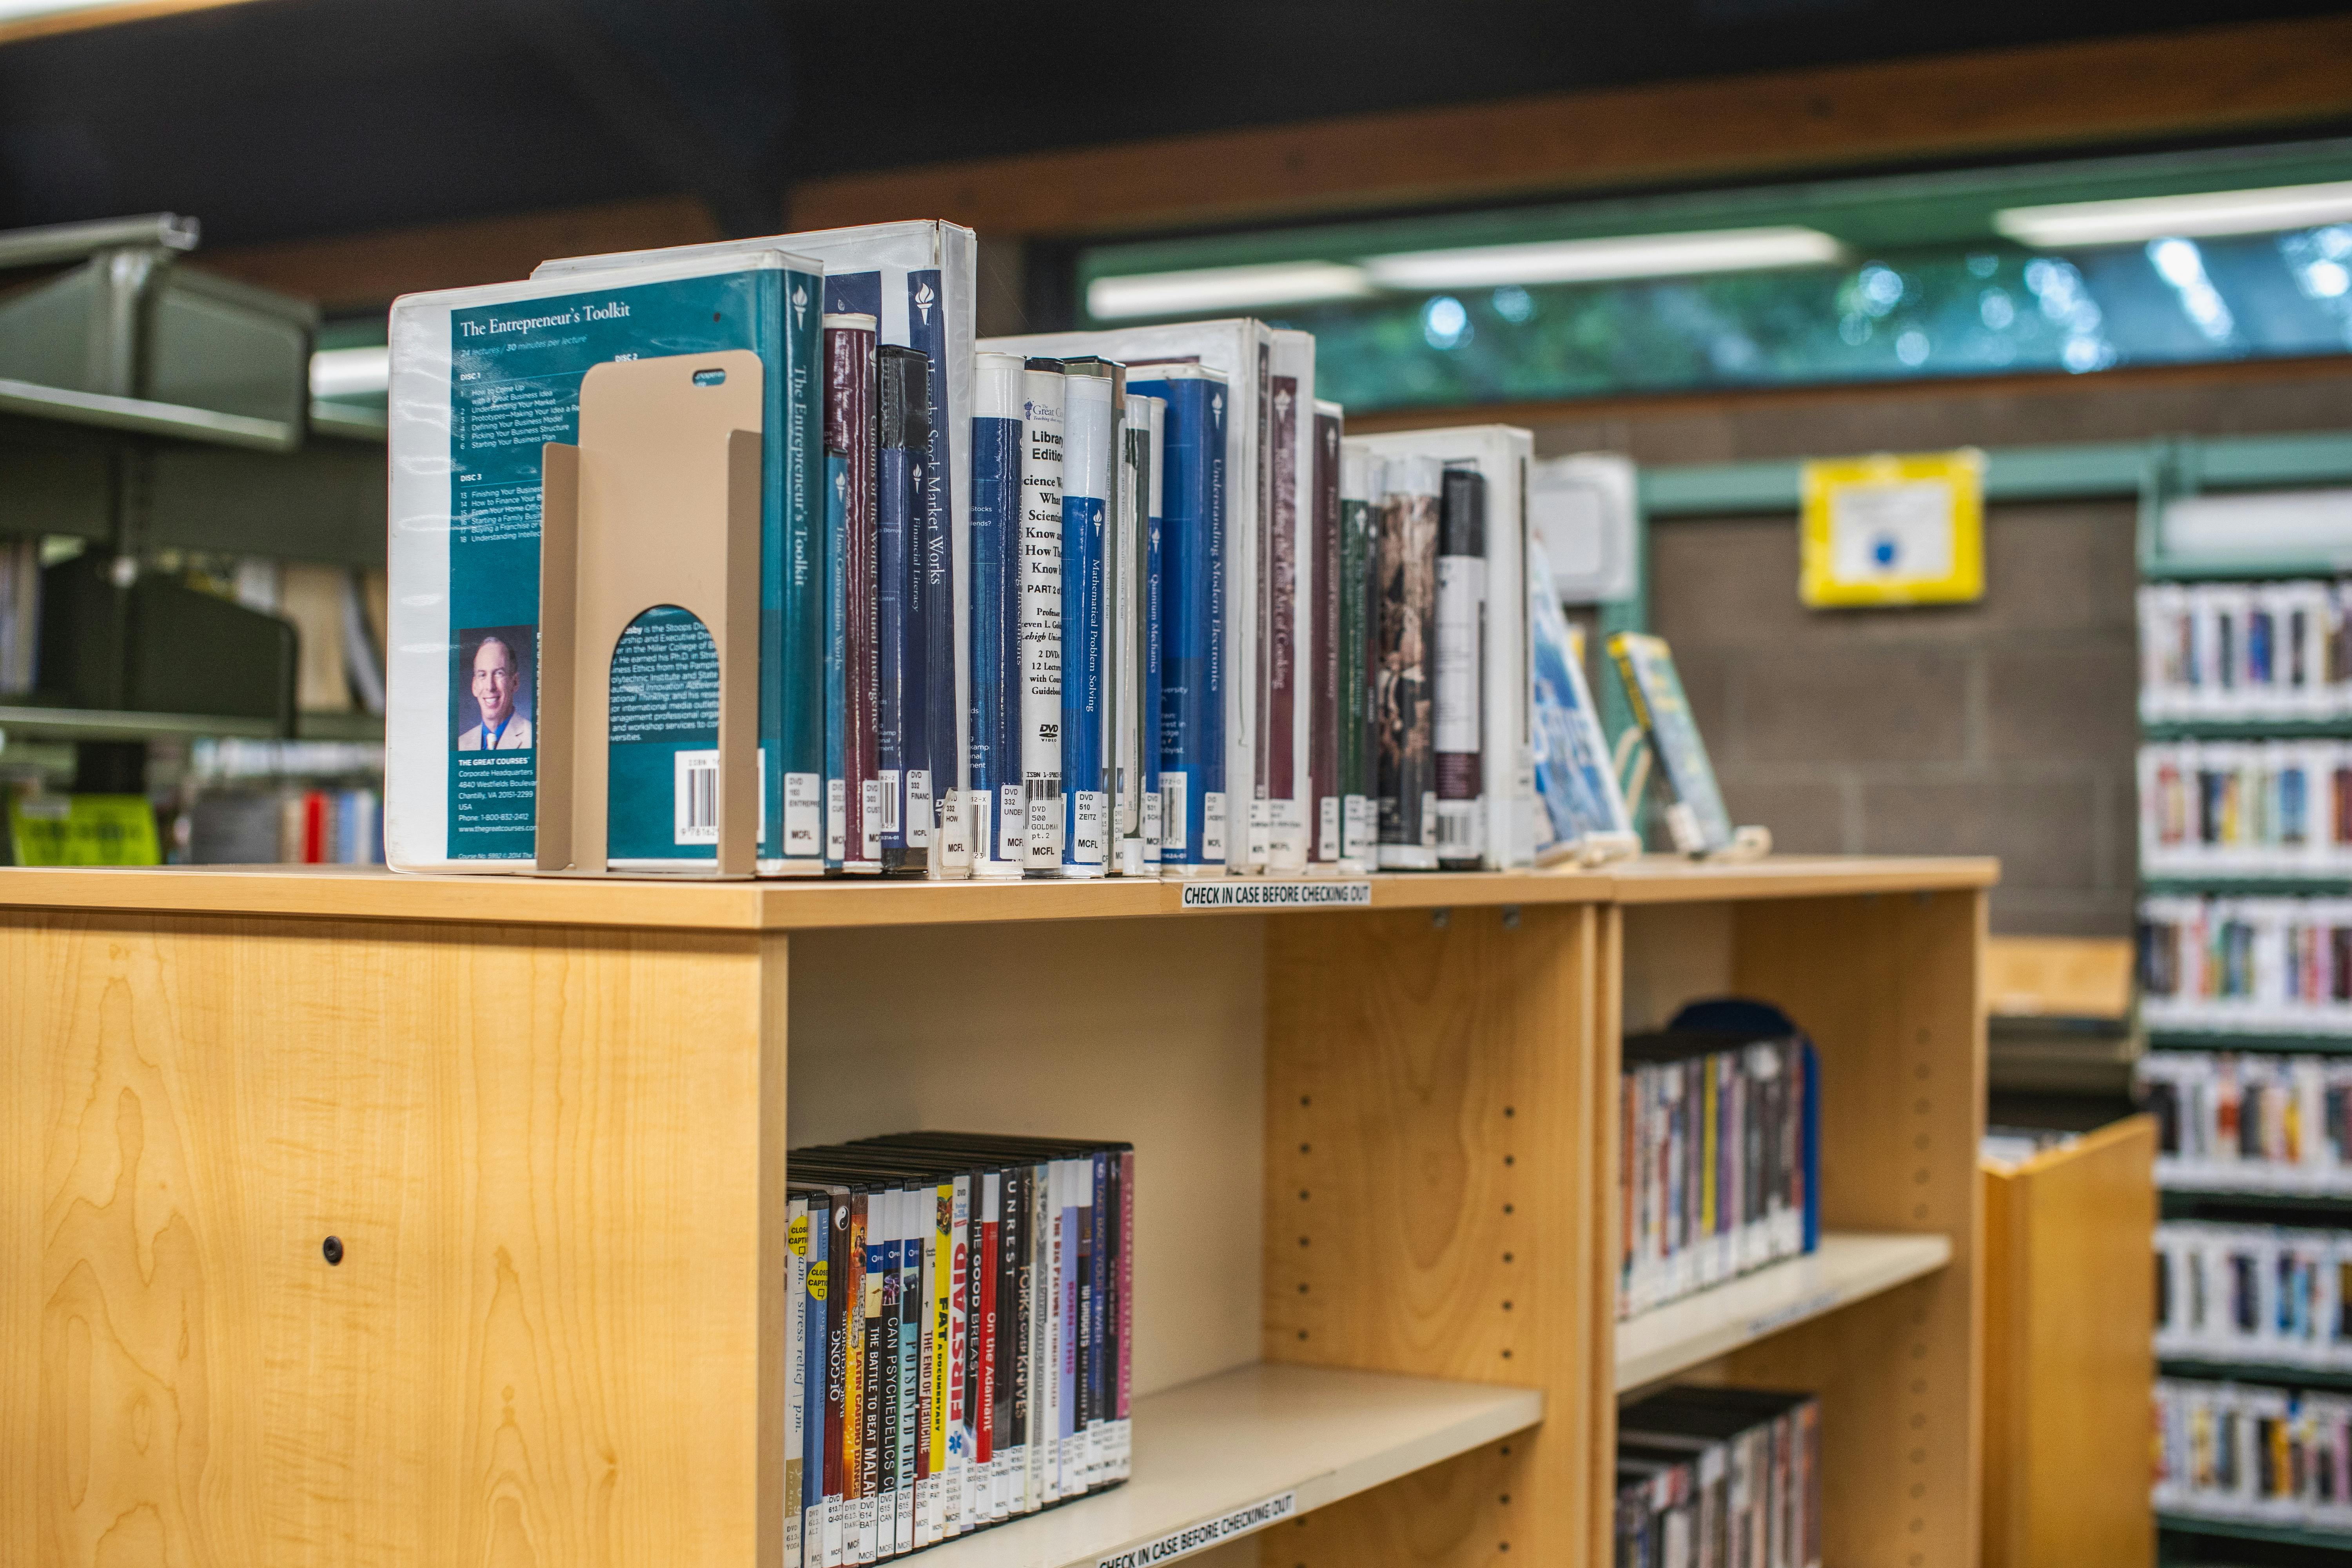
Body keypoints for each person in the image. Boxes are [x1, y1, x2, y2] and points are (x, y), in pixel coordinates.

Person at [457, 635, 532, 750]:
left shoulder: (534, 740)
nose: (490, 687)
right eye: (482, 675)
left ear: (515, 683)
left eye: (499, 673)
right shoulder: (460, 745)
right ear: (474, 686)